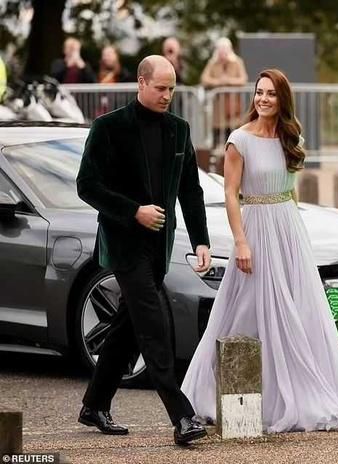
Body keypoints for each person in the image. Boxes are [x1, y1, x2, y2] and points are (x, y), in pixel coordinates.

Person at [182, 69, 338, 433]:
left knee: (299, 310)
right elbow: (231, 193)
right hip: (256, 228)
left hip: (289, 229)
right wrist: (241, 241)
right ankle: (230, 392)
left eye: (271, 94)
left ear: (282, 100)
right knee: (247, 309)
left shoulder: (290, 137)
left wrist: (299, 235)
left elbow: (290, 191)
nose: (263, 99)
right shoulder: (238, 140)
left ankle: (298, 390)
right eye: (259, 92)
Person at [76, 55, 211, 446]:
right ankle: (182, 416)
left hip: (158, 246)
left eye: (172, 89)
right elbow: (87, 186)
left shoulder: (179, 130)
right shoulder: (108, 127)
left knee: (127, 327)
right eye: (160, 88)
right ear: (141, 83)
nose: (167, 95)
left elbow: (191, 191)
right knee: (154, 326)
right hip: (123, 243)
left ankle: (94, 405)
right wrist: (133, 211)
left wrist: (201, 240)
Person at [200, 37, 248, 147]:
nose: (223, 54)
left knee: (234, 135)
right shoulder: (212, 63)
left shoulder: (237, 62)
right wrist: (218, 82)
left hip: (233, 107)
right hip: (218, 108)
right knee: (218, 135)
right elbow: (204, 79)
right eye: (220, 50)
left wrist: (229, 81)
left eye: (225, 50)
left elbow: (243, 79)